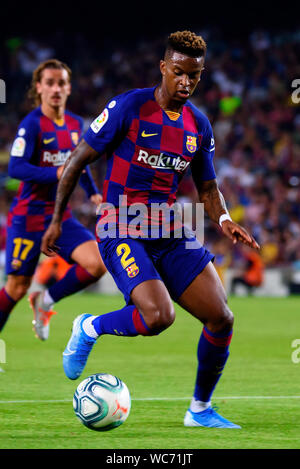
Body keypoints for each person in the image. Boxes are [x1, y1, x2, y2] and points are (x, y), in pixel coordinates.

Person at [42, 32, 259, 428]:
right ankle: (89, 326)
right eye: (178, 73)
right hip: (120, 225)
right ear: (163, 67)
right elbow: (75, 161)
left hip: (168, 230)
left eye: (194, 76)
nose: (186, 83)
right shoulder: (129, 107)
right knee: (159, 316)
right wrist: (57, 219)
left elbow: (208, 189)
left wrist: (225, 220)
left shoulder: (198, 125)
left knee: (222, 317)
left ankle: (199, 410)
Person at [0, 59, 106, 340]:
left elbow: (79, 163)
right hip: (29, 217)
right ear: (39, 87)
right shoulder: (32, 124)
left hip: (60, 216)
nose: (56, 88)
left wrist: (93, 191)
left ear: (69, 88)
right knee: (16, 287)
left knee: (96, 264)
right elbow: (16, 168)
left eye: (61, 83)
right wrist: (56, 172)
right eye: (50, 83)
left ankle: (45, 300)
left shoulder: (74, 124)